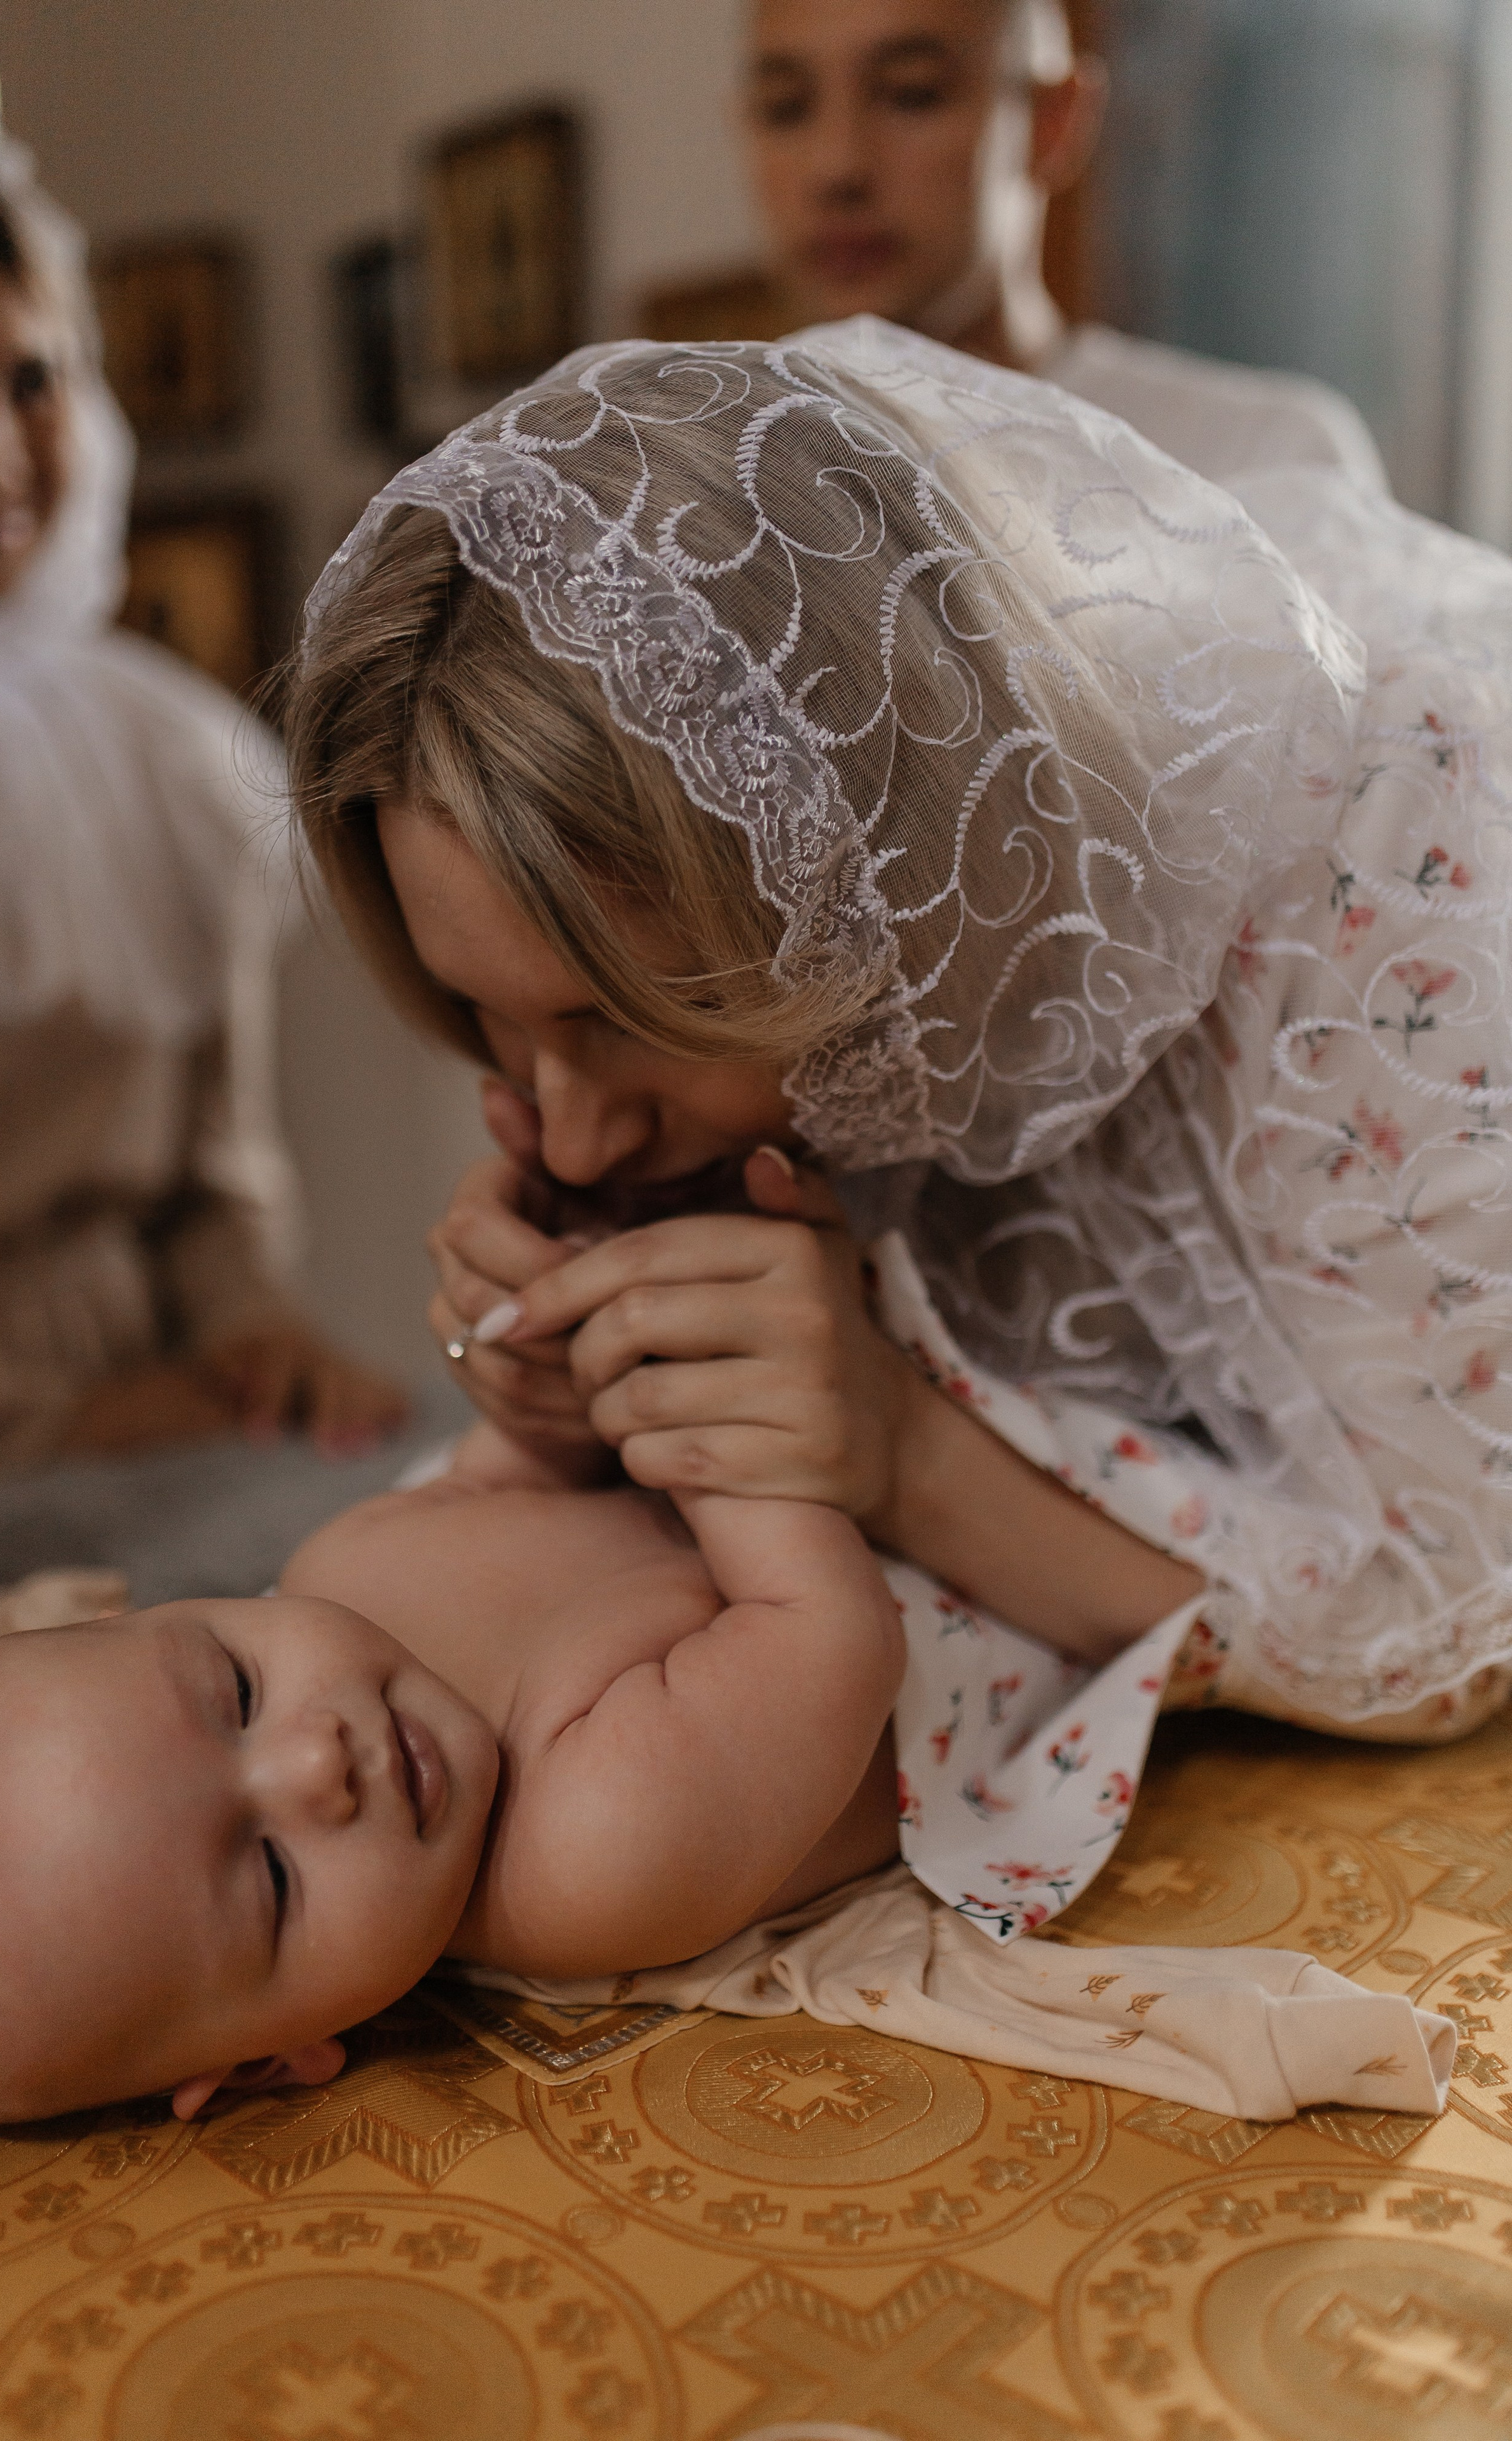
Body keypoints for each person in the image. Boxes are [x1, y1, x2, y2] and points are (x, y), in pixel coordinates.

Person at [285, 319, 1512, 1753]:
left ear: (862, 856)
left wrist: (908, 1454)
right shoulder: (765, 1037)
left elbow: (1454, 1624)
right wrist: (585, 1381)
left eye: (619, 1019)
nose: (561, 1131)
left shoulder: (1380, 859)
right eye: (487, 1025)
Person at [0, 1416, 1448, 2126]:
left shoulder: (339, 1554)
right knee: (1391, 1530)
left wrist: (541, 1344)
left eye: (229, 1687)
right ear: (285, 2052)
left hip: (890, 1411)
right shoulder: (581, 1858)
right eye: (276, 1878)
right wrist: (724, 1409)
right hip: (1030, 1554)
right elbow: (823, 1630)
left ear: (178, 1609)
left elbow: (526, 1458)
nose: (318, 1758)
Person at [0, 123, 404, 1495]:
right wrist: (56, 1425)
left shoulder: (164, 754)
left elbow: (216, 1192)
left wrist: (260, 1341)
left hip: (168, 1443)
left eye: (32, 382)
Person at [743, 0, 1389, 491]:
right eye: (785, 106)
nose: (836, 167)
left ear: (1055, 123)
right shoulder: (707, 468)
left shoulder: (1263, 462)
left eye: (912, 93)